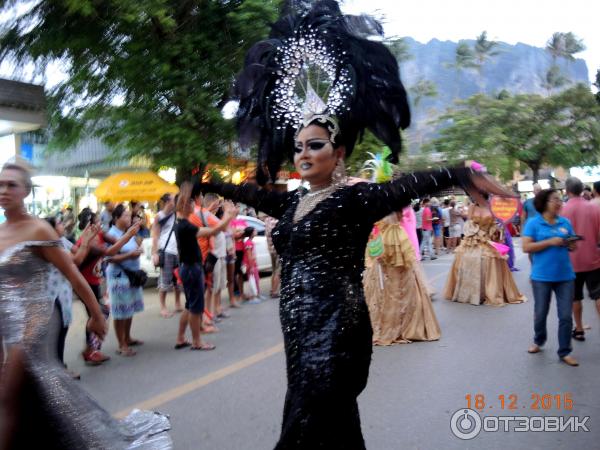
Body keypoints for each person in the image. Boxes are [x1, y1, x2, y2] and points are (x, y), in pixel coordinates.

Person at [0, 163, 172, 448]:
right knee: (30, 391)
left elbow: (75, 273)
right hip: (4, 319)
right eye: (1, 184)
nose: (4, 190)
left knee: (7, 395)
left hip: (34, 317)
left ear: (26, 191)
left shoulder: (38, 229)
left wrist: (96, 315)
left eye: (11, 185)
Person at [174, 183, 237, 351]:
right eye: (191, 203)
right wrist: (228, 216)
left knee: (190, 306)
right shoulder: (185, 227)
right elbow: (214, 230)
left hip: (188, 268)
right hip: (192, 269)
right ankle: (197, 341)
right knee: (196, 308)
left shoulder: (180, 224)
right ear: (184, 205)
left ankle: (181, 338)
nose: (194, 205)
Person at [73, 207, 140, 365]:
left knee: (98, 314)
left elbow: (118, 243)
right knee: (99, 314)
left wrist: (130, 235)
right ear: (90, 226)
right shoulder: (89, 241)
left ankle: (91, 350)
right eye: (98, 222)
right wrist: (129, 235)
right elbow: (111, 252)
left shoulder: (100, 235)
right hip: (84, 283)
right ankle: (91, 350)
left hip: (94, 282)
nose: (101, 225)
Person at [363, 210, 441, 345]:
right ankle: (393, 324)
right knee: (386, 283)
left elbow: (398, 213)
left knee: (397, 281)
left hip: (392, 238)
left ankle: (399, 324)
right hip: (385, 237)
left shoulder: (393, 199)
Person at [522, 189, 579, 366]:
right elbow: (526, 247)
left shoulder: (565, 222)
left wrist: (571, 244)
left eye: (560, 200)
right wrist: (549, 242)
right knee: (540, 313)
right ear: (544, 202)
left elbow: (573, 247)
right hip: (541, 276)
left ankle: (565, 351)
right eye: (555, 199)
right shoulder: (533, 223)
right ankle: (539, 340)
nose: (559, 202)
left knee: (565, 316)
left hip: (565, 276)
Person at [444, 195, 526, 306]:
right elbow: (469, 224)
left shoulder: (493, 207)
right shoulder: (472, 206)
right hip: (473, 239)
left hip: (489, 239)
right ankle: (468, 293)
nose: (473, 197)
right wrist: (476, 235)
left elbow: (498, 225)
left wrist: (497, 230)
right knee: (463, 256)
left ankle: (487, 292)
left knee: (489, 258)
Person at [560, 177, 600, 341]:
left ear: (567, 191)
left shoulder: (562, 210)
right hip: (593, 258)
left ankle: (579, 328)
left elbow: (561, 237)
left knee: (575, 297)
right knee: (598, 295)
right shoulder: (594, 208)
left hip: (571, 261)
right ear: (582, 190)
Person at [106, 204, 145, 357]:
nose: (129, 218)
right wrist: (129, 256)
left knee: (129, 309)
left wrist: (138, 248)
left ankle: (127, 338)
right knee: (120, 311)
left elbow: (132, 248)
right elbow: (109, 258)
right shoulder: (112, 234)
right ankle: (121, 344)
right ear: (116, 218)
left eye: (130, 215)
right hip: (119, 276)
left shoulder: (128, 232)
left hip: (132, 275)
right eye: (126, 216)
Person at [152, 192, 183, 318]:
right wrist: (154, 253)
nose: (174, 202)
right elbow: (155, 235)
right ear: (166, 202)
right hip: (166, 251)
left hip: (178, 251)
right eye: (172, 200)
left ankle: (177, 303)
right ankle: (163, 307)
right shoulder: (159, 216)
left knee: (178, 281)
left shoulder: (176, 214)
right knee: (165, 281)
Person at [242, 226, 261, 303]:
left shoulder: (250, 242)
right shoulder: (248, 243)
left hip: (253, 264)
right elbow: (249, 255)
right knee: (253, 280)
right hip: (250, 265)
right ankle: (253, 296)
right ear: (251, 233)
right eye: (254, 231)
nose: (256, 232)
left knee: (256, 279)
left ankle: (256, 294)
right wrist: (251, 266)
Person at [264, 214, 281, 298]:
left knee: (274, 270)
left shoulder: (267, 220)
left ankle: (272, 289)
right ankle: (274, 291)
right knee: (278, 271)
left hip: (271, 249)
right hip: (278, 249)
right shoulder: (276, 221)